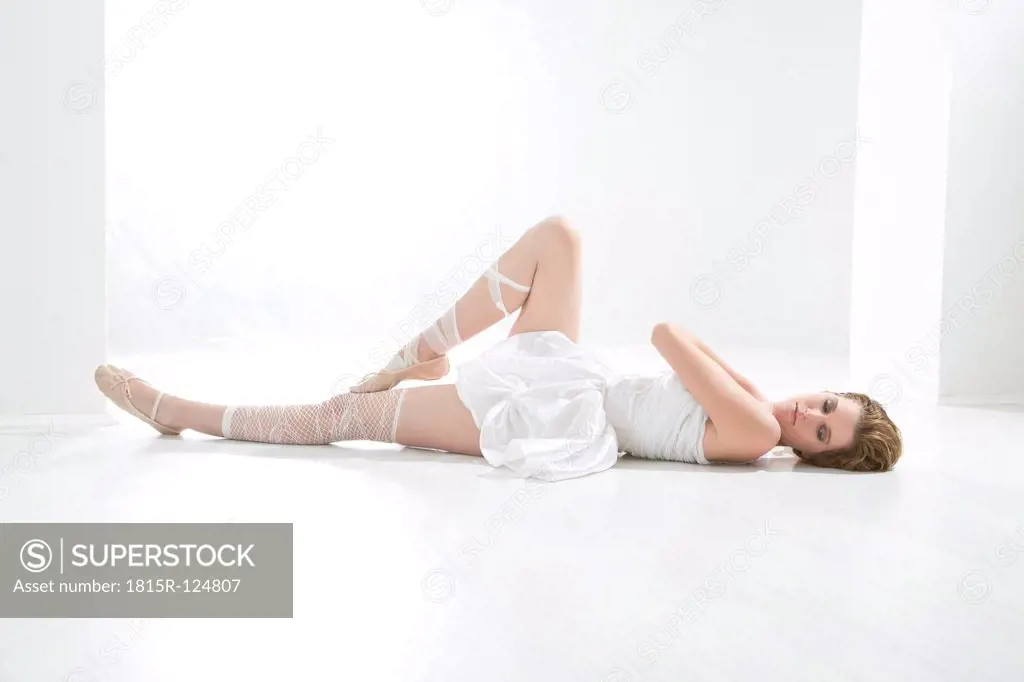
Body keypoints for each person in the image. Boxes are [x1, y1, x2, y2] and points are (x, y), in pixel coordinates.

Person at [95, 216, 902, 480]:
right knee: (560, 239)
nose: (811, 413)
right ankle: (414, 354)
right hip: (580, 377)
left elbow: (666, 334)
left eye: (822, 430)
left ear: (814, 454)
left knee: (350, 419)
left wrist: (759, 393)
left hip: (562, 415)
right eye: (829, 403)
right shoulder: (761, 420)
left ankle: (178, 411)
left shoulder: (759, 431)